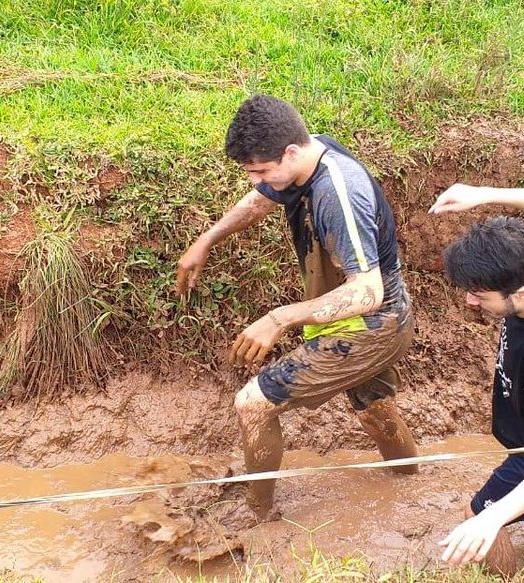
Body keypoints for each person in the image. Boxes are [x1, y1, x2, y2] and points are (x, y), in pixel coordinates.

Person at [176, 94, 418, 520]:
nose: (257, 181)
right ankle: (411, 488)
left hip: (373, 323)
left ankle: (258, 517)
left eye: (261, 171)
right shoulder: (305, 153)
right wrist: (206, 239)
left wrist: (278, 318)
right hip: (356, 317)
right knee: (375, 411)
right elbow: (260, 199)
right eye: (251, 172)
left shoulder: (338, 194)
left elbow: (368, 291)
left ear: (290, 152)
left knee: (253, 403)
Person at [430, 183, 524, 575]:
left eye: (480, 295)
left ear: (521, 293)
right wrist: (481, 194)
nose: (470, 301)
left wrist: (492, 516)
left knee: (478, 517)